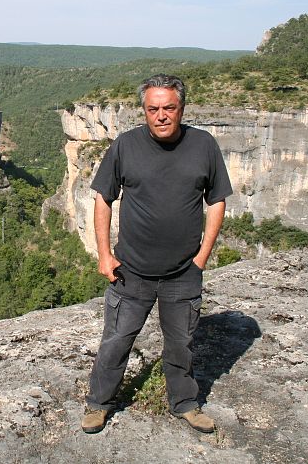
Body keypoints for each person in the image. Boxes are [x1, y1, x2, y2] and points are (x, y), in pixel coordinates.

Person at [81, 74, 232, 435]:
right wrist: (104, 254)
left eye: (169, 107)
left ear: (182, 108)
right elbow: (103, 198)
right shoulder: (125, 146)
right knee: (116, 341)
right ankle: (99, 404)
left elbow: (217, 200)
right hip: (131, 271)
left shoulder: (204, 145)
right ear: (144, 110)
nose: (161, 115)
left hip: (183, 272)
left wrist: (202, 258)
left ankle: (185, 404)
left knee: (181, 344)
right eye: (153, 108)